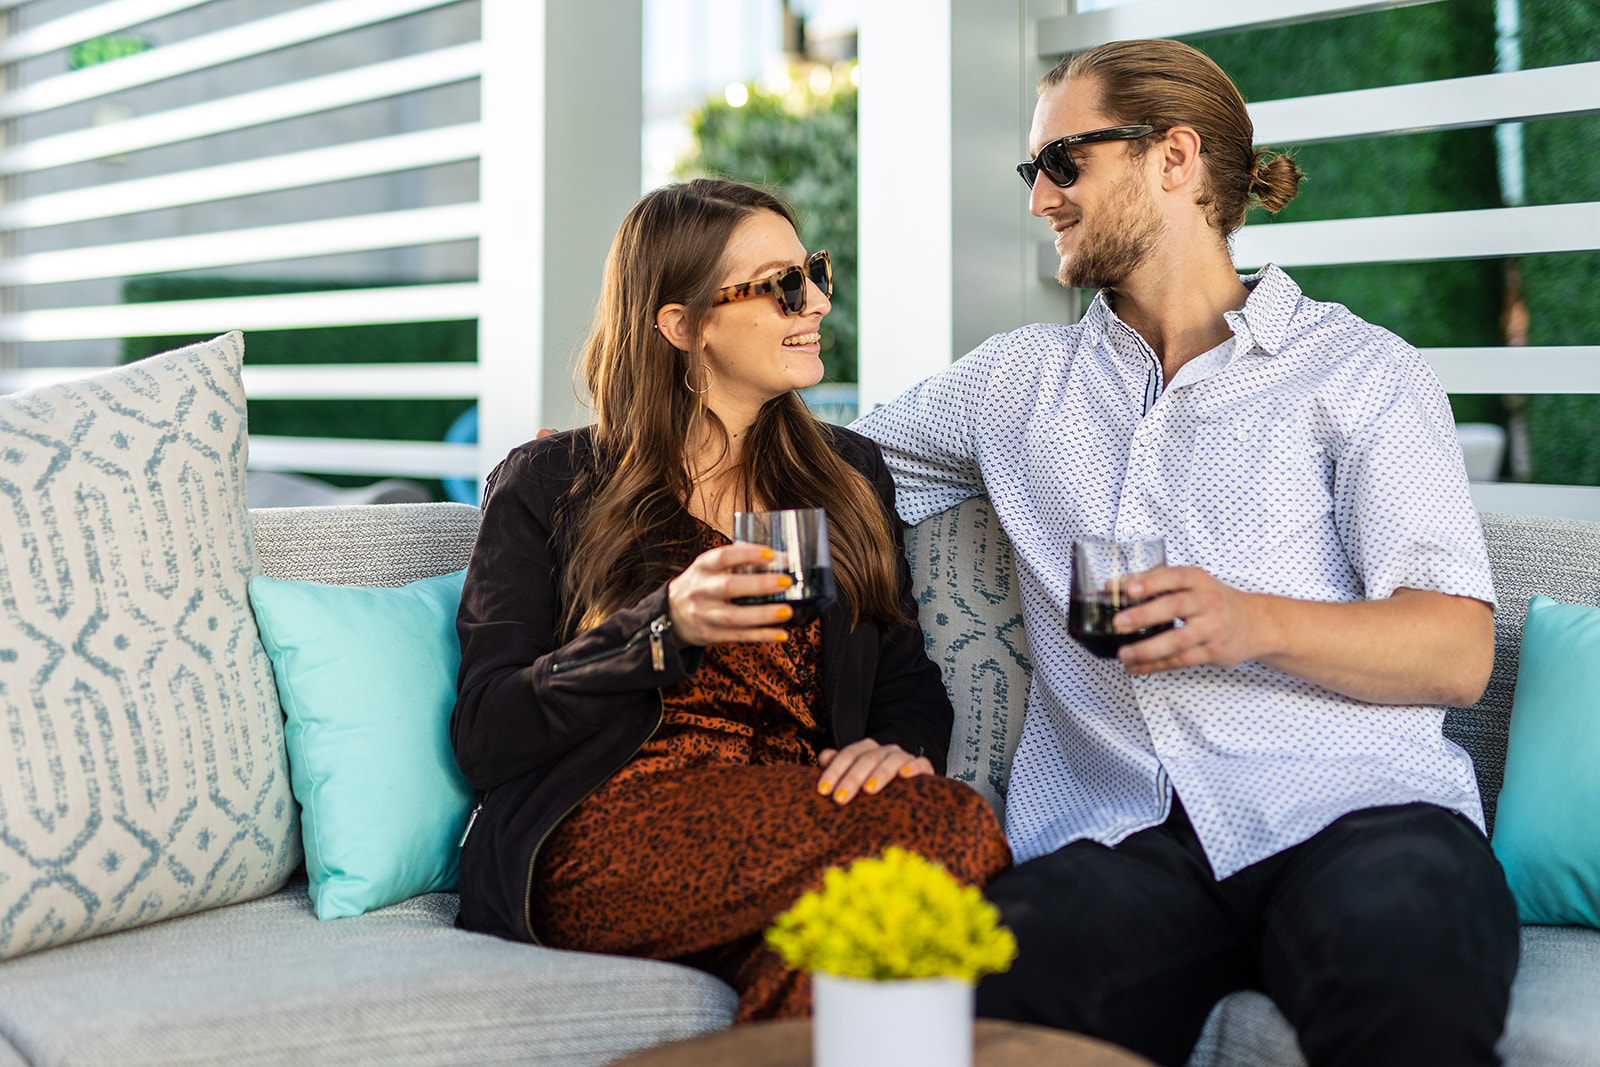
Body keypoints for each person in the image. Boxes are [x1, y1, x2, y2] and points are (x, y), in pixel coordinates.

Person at [852, 39, 1519, 1067]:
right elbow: (813, 462)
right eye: (1033, 172)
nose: (1040, 200)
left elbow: (1454, 649)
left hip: (1361, 817)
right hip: (1118, 842)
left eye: (1061, 164)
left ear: (1173, 158)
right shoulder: (1011, 385)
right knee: (960, 1005)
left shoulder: (1358, 371)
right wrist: (600, 451)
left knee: (1411, 976)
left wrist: (1250, 619)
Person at [450, 178, 1011, 1022]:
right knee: (953, 828)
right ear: (683, 326)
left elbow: (903, 673)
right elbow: (487, 730)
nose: (817, 300)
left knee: (845, 963)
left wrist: (897, 748)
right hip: (606, 828)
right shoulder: (550, 483)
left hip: (803, 820)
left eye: (813, 271)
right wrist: (660, 629)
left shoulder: (846, 474)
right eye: (782, 285)